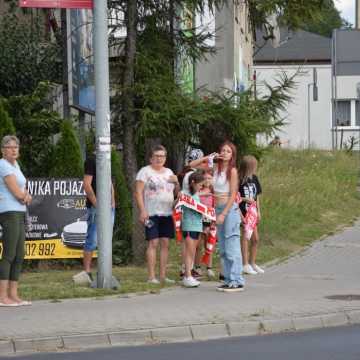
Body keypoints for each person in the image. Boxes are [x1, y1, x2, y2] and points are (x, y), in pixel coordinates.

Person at [190, 141, 245, 292]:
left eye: (228, 151)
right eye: (223, 150)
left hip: (229, 209)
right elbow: (192, 165)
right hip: (218, 207)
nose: (225, 153)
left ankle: (237, 279)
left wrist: (224, 213)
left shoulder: (232, 171)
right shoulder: (215, 168)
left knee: (232, 243)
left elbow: (233, 194)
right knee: (223, 247)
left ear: (232, 154)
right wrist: (209, 157)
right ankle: (227, 278)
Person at [135, 145, 179, 284]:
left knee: (165, 244)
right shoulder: (145, 172)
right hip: (151, 213)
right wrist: (142, 210)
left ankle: (163, 276)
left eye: (162, 156)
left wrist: (176, 182)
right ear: (151, 158)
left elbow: (176, 192)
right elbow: (138, 192)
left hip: (167, 213)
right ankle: (151, 277)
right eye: (157, 156)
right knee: (153, 242)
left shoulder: (169, 172)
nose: (159, 159)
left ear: (165, 158)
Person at [0, 135, 32, 306]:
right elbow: (18, 193)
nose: (13, 150)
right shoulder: (3, 165)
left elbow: (23, 191)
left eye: (16, 147)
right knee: (9, 254)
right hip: (9, 212)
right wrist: (24, 196)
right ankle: (2, 297)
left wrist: (24, 196)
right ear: (3, 150)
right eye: (9, 147)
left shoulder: (16, 165)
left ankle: (13, 295)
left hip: (20, 211)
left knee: (20, 254)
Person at [75, 154, 115, 284]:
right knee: (92, 239)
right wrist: (97, 204)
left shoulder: (107, 159)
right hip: (96, 208)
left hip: (109, 207)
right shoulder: (92, 160)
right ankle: (87, 272)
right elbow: (87, 184)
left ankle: (105, 272)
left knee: (106, 240)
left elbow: (109, 182)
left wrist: (113, 201)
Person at [239, 155, 264, 275]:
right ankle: (245, 264)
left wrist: (259, 211)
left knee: (255, 239)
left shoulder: (254, 178)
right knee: (245, 237)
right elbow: (235, 196)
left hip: (253, 212)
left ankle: (252, 262)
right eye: (253, 165)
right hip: (244, 211)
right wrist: (245, 199)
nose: (255, 167)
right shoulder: (239, 179)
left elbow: (257, 196)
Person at [181, 170, 205, 287]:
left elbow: (199, 209)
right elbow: (177, 204)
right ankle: (187, 276)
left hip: (197, 226)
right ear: (193, 182)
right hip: (188, 225)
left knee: (193, 251)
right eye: (200, 184)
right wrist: (178, 198)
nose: (201, 187)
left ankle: (189, 275)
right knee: (189, 251)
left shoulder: (196, 194)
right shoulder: (184, 193)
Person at [194, 169, 216, 278]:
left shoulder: (213, 192)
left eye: (209, 178)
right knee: (198, 245)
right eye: (205, 178)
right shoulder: (199, 190)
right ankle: (197, 267)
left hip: (209, 220)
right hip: (199, 219)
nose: (207, 180)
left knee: (209, 245)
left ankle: (209, 267)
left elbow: (214, 207)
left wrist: (213, 222)